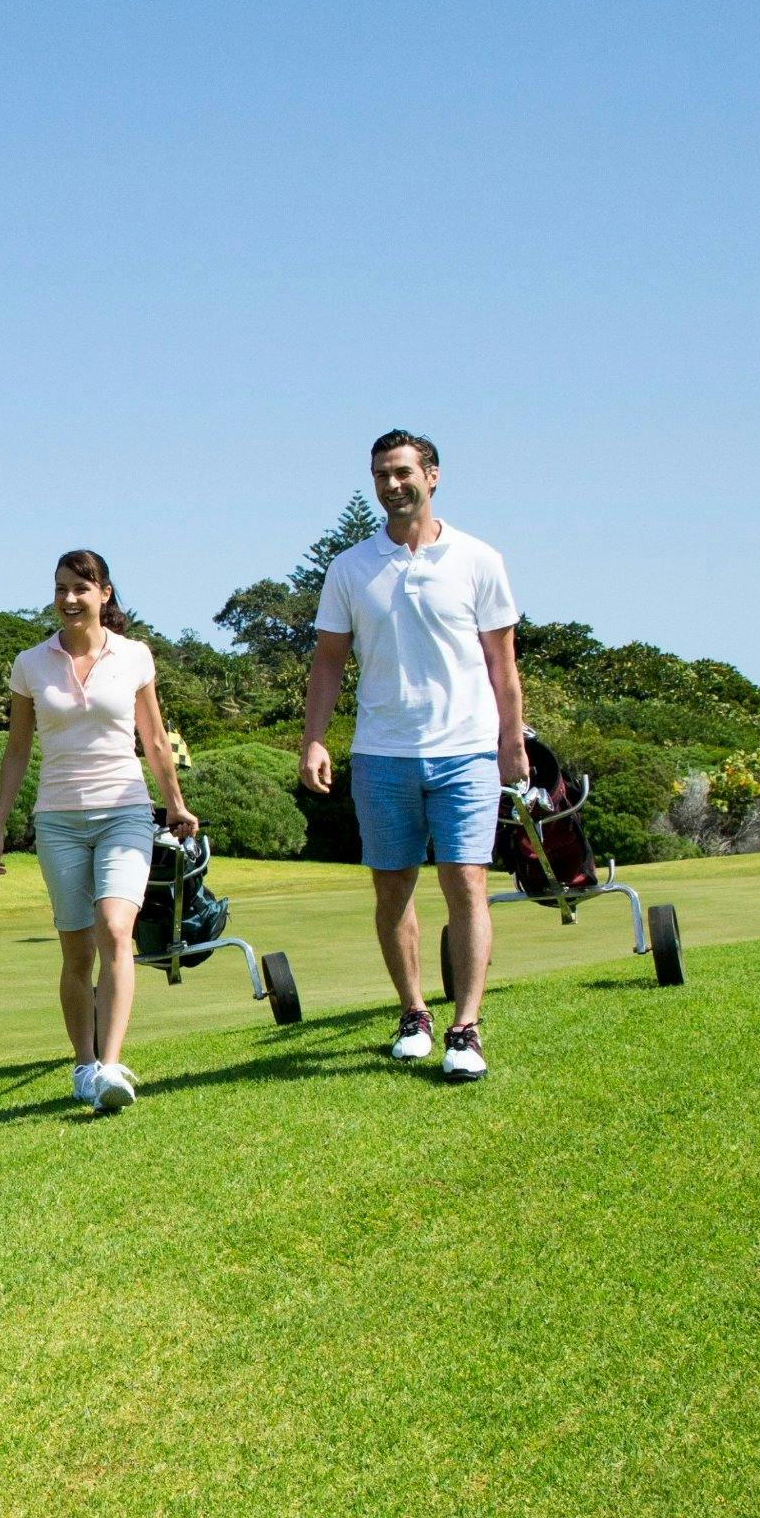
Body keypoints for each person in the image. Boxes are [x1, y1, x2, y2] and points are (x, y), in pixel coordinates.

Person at [298, 430, 526, 1082]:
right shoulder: (350, 568)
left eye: (402, 472)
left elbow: (502, 665)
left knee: (466, 884)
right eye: (380, 475)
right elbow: (328, 664)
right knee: (393, 888)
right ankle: (414, 1014)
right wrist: (315, 738)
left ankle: (466, 1027)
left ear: (432, 476)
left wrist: (511, 739)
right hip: (382, 753)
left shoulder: (480, 559)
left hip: (466, 750)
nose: (391, 486)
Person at [0, 550, 198, 1112]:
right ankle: (83, 1065)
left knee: (114, 928)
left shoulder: (134, 657)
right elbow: (17, 750)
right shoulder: (30, 664)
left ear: (105, 593)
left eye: (81, 587)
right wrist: (0, 825)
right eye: (61, 588)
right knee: (77, 951)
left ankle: (110, 1064)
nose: (70, 598)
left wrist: (174, 803)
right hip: (57, 820)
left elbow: (154, 739)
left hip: (125, 810)